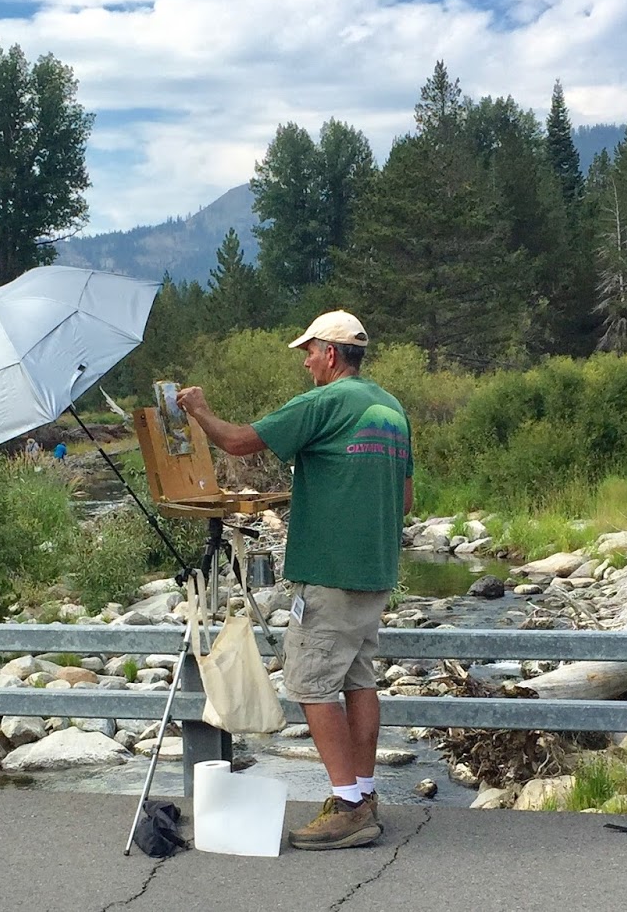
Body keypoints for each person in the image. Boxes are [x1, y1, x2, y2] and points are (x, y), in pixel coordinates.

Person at [176, 309, 412, 851]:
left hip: (330, 572)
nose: (305, 362)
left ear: (331, 353)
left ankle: (350, 806)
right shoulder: (391, 408)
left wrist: (199, 411)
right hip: (375, 570)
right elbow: (403, 499)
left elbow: (238, 442)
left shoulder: (324, 401)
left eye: (308, 352)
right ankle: (364, 791)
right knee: (358, 680)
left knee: (309, 683)